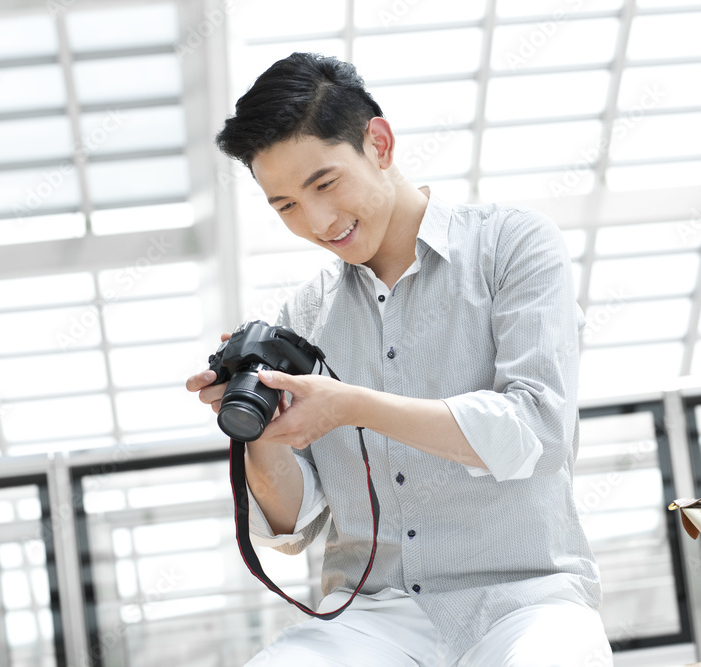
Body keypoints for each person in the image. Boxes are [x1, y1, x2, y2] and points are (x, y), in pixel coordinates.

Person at [186, 52, 612, 666]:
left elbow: (536, 433)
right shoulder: (302, 320)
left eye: (324, 184)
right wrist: (259, 431)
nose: (318, 221)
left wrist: (352, 406)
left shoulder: (511, 245)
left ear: (378, 143)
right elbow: (291, 525)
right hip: (371, 619)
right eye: (285, 207)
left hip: (526, 603)